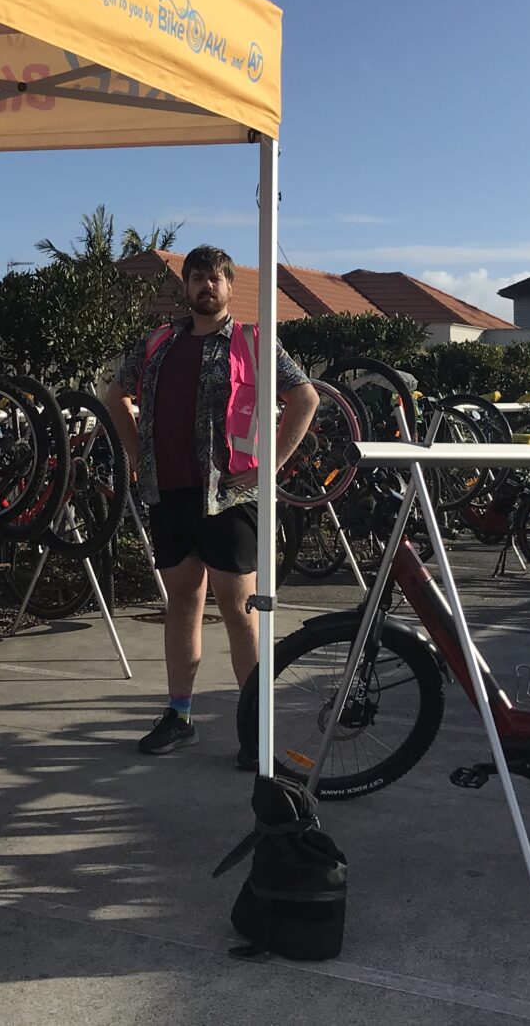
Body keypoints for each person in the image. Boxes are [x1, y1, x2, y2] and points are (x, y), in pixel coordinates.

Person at [105, 245, 319, 765]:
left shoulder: (253, 340)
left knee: (240, 611)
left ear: (229, 286)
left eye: (215, 279)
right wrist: (139, 457)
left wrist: (270, 465)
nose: (206, 287)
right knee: (182, 604)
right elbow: (115, 396)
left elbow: (305, 398)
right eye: (197, 278)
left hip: (231, 494)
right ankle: (179, 716)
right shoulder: (157, 342)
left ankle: (254, 730)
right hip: (171, 493)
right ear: (186, 286)